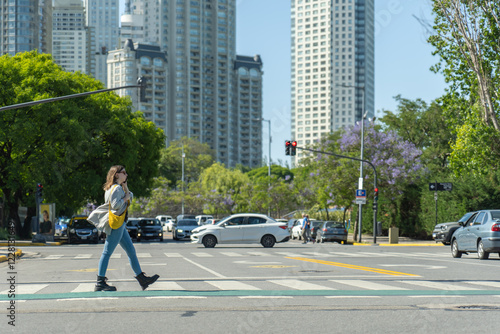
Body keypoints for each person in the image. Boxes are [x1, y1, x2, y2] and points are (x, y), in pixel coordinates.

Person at [88, 165, 159, 291]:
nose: (126, 175)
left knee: (131, 250)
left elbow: (128, 197)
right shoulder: (116, 189)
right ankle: (100, 282)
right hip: (117, 224)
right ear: (117, 174)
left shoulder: (113, 188)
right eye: (124, 173)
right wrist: (126, 197)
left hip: (120, 224)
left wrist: (126, 189)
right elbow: (116, 205)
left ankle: (142, 278)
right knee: (107, 252)